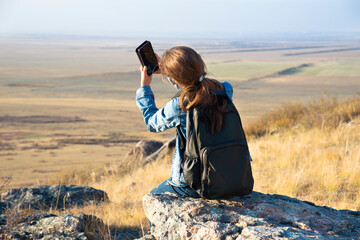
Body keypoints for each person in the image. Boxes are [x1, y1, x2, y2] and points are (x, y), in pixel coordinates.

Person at [136, 46, 238, 198]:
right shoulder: (224, 89)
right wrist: (170, 72)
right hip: (232, 173)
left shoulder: (179, 105)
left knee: (154, 197)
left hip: (192, 182)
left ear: (176, 78)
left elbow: (152, 123)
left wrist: (145, 87)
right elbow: (195, 84)